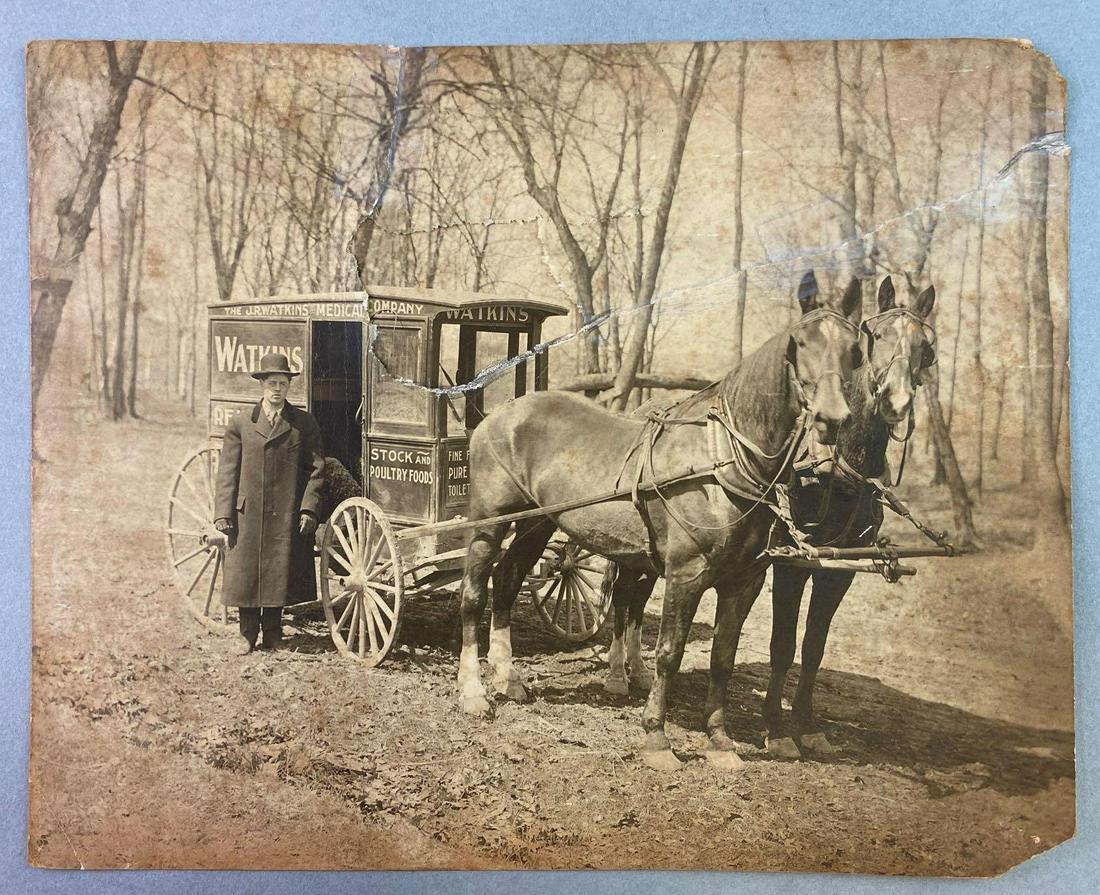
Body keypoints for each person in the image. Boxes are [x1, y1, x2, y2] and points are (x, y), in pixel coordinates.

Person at [210, 353, 326, 655]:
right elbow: (227, 471)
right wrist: (223, 512)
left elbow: (317, 469)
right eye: (272, 383)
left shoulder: (303, 423)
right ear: (262, 385)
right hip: (247, 512)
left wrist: (308, 508)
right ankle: (246, 635)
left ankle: (273, 635)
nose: (277, 389)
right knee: (246, 573)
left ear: (289, 387)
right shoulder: (241, 424)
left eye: (283, 383)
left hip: (284, 512)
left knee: (278, 572)